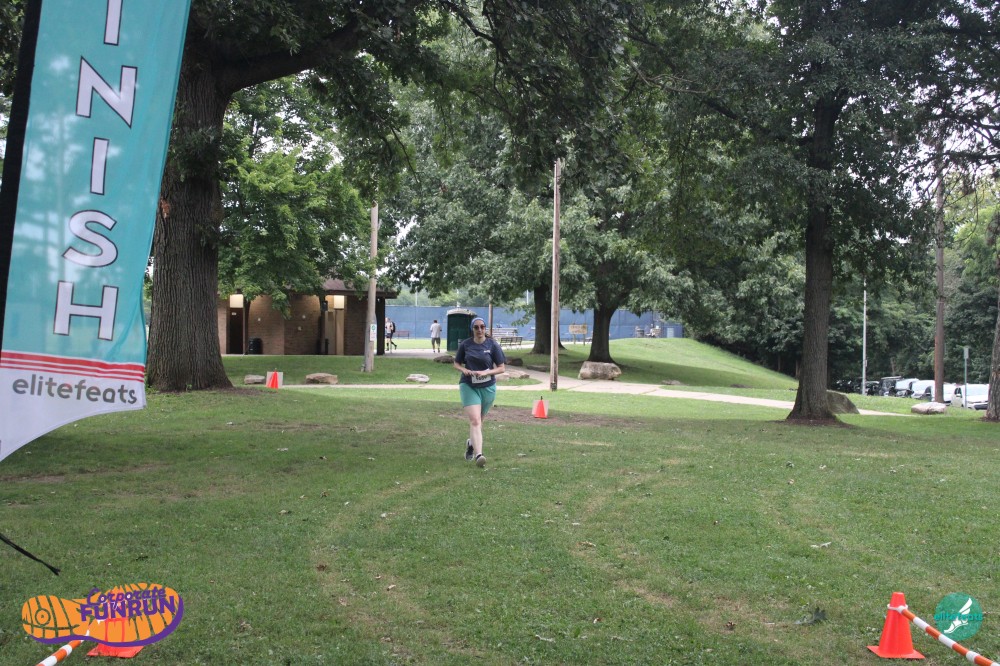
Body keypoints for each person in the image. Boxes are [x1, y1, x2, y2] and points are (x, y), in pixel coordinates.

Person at [454, 317, 506, 467]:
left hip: (488, 387)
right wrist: (464, 370)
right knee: (475, 421)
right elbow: (456, 363)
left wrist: (486, 373)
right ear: (472, 329)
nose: (479, 330)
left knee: (479, 421)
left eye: (482, 327)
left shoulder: (492, 345)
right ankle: (479, 455)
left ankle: (471, 444)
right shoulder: (466, 345)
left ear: (485, 328)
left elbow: (501, 368)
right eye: (476, 327)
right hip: (468, 385)